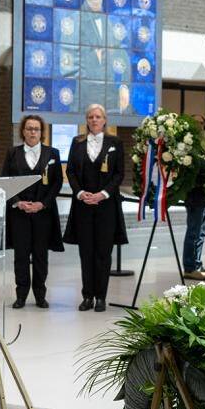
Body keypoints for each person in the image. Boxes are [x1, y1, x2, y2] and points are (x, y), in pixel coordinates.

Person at [64, 104, 127, 312]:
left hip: (106, 206)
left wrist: (103, 194)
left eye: (98, 116)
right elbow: (71, 171)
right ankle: (87, 296)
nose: (94, 120)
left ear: (105, 120)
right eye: (90, 116)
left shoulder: (115, 143)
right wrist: (80, 193)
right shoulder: (77, 142)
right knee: (86, 253)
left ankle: (101, 297)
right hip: (83, 205)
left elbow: (119, 173)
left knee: (103, 253)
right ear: (86, 120)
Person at [0, 114, 64, 308]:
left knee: (40, 256)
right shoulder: (13, 153)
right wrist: (18, 202)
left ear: (41, 132)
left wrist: (42, 204)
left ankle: (40, 295)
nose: (32, 132)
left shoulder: (52, 154)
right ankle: (21, 295)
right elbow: (5, 180)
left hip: (42, 214)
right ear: (23, 131)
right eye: (29, 128)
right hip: (19, 213)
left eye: (36, 129)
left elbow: (57, 183)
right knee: (20, 256)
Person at [181, 113, 205, 281]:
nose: (199, 125)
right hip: (194, 196)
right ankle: (189, 267)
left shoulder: (203, 145)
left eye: (201, 123)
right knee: (193, 231)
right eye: (195, 123)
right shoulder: (186, 145)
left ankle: (197, 263)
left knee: (201, 233)